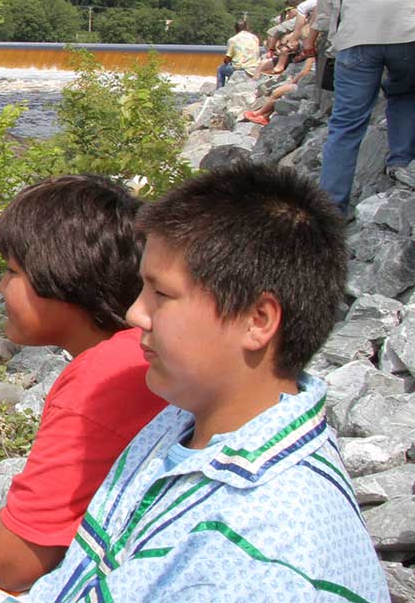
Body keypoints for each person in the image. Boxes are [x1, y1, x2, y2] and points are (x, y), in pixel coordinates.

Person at [28, 163, 388, 602]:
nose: (135, 314)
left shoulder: (263, 559)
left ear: (257, 321)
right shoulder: (191, 417)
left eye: (161, 295)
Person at [0, 176, 166, 592]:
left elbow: (15, 561)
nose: (2, 286)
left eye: (12, 271)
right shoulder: (150, 351)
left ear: (62, 278)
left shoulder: (100, 380)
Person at [309, 0, 415, 214]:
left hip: (356, 35)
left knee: (345, 123)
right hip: (407, 30)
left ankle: (332, 208)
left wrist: (323, 30)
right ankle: (401, 161)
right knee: (405, 92)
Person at [242, 56, 314, 125]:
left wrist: (292, 82)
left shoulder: (311, 57)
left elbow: (304, 72)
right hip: (309, 84)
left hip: (307, 86)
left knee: (277, 92)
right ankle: (264, 115)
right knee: (279, 93)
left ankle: (259, 113)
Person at [216, 21, 260, 89]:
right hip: (255, 69)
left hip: (241, 70)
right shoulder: (255, 38)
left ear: (235, 29)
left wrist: (225, 61)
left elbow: (228, 59)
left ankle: (219, 90)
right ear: (246, 28)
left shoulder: (232, 40)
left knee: (220, 69)